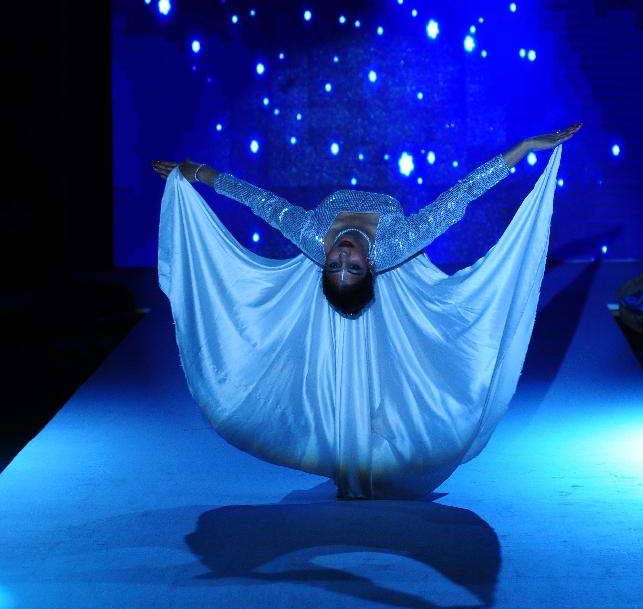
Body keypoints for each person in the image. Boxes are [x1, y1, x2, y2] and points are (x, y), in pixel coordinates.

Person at [153, 123, 581, 499]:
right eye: (351, 267)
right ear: (370, 266)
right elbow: (461, 196)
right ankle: (364, 446)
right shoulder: (395, 244)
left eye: (336, 265)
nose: (342, 255)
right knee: (360, 352)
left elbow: (257, 200)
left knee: (362, 351)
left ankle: (362, 444)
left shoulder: (311, 235)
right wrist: (523, 151)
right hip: (393, 279)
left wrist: (199, 173)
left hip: (370, 277)